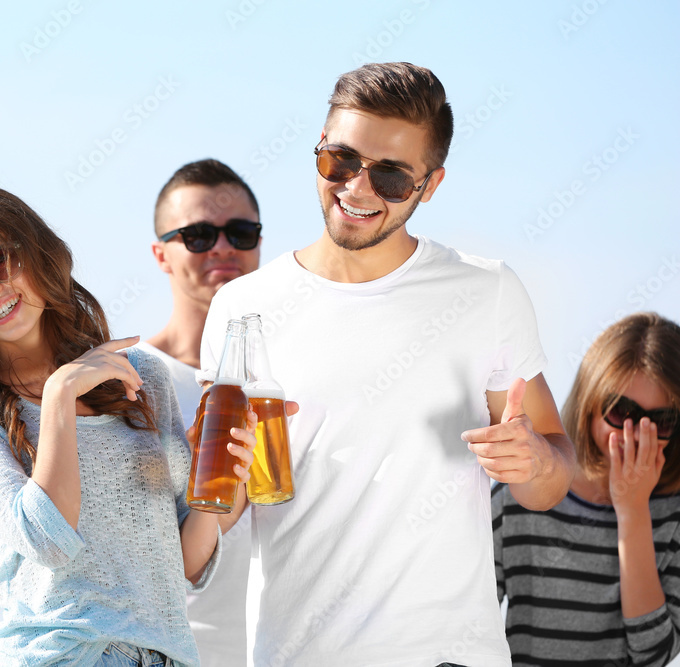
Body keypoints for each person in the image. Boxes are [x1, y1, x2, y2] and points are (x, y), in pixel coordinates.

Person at [199, 62, 576, 666]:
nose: (357, 188)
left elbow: (550, 480)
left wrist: (534, 460)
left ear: (431, 184)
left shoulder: (487, 292)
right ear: (319, 149)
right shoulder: (242, 307)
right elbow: (228, 503)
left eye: (392, 176)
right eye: (340, 161)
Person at [0, 182, 257, 666]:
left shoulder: (142, 375)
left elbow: (184, 563)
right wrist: (59, 396)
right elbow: (45, 538)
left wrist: (222, 478)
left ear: (37, 252)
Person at [493, 312, 680, 666]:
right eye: (621, 411)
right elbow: (465, 633)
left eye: (662, 421)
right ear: (590, 403)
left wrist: (633, 510)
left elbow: (654, 655)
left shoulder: (673, 517)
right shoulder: (518, 495)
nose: (636, 435)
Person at [138, 158, 262, 667]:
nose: (223, 248)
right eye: (198, 235)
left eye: (241, 232)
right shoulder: (126, 383)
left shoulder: (295, 374)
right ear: (161, 255)